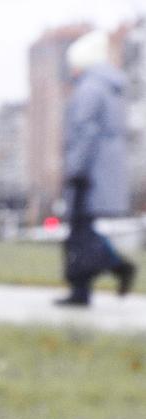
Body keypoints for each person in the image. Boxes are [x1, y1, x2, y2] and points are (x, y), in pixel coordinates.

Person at [56, 30, 137, 307]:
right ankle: (83, 289)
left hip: (87, 173)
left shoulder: (90, 89)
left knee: (79, 233)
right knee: (82, 232)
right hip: (103, 172)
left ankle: (113, 269)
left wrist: (75, 169)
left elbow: (84, 133)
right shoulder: (111, 88)